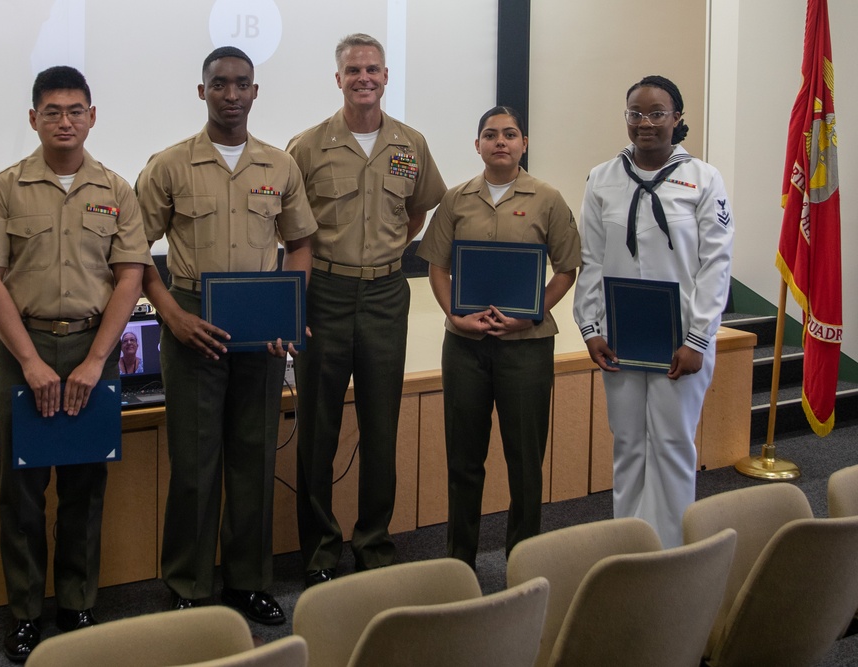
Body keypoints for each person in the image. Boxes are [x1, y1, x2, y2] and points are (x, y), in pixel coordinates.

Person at [0, 65, 151, 662]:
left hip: (94, 348)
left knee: (85, 486)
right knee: (20, 492)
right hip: (26, 349)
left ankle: (77, 604)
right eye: (52, 112)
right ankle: (25, 612)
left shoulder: (116, 191)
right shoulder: (3, 189)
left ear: (92, 116)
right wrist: (30, 362)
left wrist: (97, 361)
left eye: (75, 111)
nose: (64, 121)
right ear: (34, 119)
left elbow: (129, 277)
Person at [136, 46, 316, 625]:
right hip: (192, 317)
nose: (231, 94)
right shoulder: (168, 165)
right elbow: (132, 253)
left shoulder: (279, 166)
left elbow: (302, 244)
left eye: (242, 84)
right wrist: (171, 315)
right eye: (220, 84)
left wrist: (285, 313)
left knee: (255, 458)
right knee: (195, 462)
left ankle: (247, 582)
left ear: (256, 92)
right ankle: (188, 584)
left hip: (260, 320)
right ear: (202, 91)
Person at [287, 33, 447, 587]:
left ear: (385, 77)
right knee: (318, 428)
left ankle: (373, 542)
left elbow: (421, 209)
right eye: (353, 70)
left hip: (385, 294)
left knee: (382, 425)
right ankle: (320, 550)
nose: (363, 79)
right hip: (323, 295)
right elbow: (289, 231)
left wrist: (385, 252)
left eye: (372, 70)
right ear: (338, 79)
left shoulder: (411, 144)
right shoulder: (306, 147)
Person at [572, 75, 734, 549]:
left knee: (671, 443)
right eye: (636, 114)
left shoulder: (703, 178)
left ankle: (673, 553)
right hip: (621, 337)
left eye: (657, 113)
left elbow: (715, 264)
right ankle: (632, 546)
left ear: (677, 118)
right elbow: (592, 259)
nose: (646, 123)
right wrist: (591, 327)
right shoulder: (602, 178)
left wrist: (699, 338)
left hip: (680, 339)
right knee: (627, 443)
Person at [416, 106, 580, 568]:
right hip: (465, 346)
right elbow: (437, 265)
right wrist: (454, 315)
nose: (500, 142)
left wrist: (530, 316)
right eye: (490, 135)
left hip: (525, 348)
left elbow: (567, 270)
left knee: (525, 463)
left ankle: (522, 558)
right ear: (478, 145)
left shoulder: (547, 198)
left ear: (524, 143)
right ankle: (459, 562)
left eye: (510, 134)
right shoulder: (455, 199)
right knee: (463, 461)